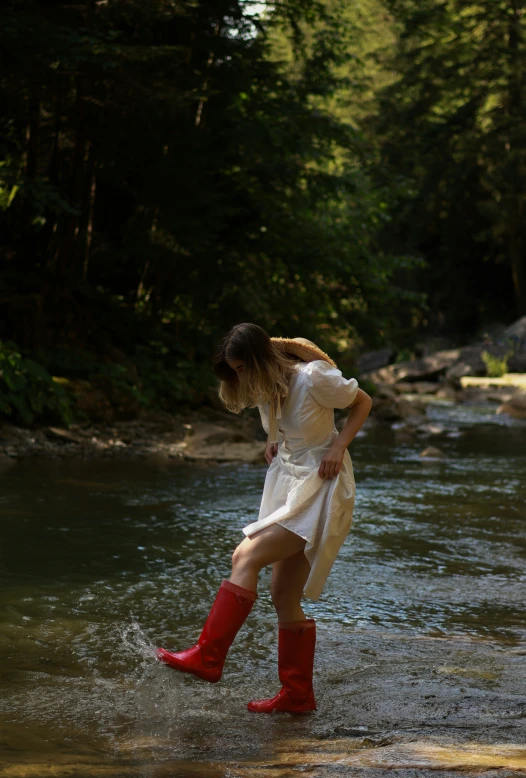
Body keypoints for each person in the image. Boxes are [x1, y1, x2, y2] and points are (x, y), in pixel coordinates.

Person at [157, 323, 372, 713]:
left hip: (322, 483)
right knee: (283, 596)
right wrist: (273, 441)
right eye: (233, 371)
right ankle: (297, 696)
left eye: (241, 369)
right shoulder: (265, 388)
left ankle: (208, 657)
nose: (238, 377)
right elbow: (289, 423)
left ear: (258, 360)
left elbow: (363, 402)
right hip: (288, 484)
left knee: (245, 556)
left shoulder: (314, 378)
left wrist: (338, 446)